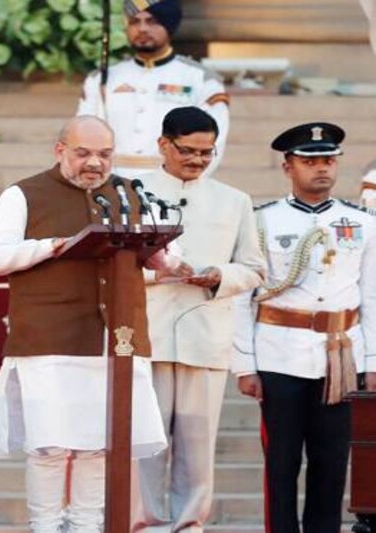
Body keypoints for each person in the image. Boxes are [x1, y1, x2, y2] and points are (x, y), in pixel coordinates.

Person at [0, 115, 184, 533]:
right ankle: (45, 527)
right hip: (50, 338)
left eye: (105, 154)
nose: (95, 163)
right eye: (84, 153)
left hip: (116, 339)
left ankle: (88, 528)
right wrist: (53, 246)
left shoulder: (129, 193)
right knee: (50, 448)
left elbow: (167, 259)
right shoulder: (24, 194)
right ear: (60, 151)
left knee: (99, 448)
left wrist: (163, 256)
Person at [232, 122, 376, 533]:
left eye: (328, 160)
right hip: (280, 354)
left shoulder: (362, 222)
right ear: (287, 167)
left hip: (341, 354)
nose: (321, 169)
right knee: (281, 462)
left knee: (331, 463)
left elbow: (372, 296)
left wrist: (372, 359)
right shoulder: (262, 221)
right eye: (310, 161)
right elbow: (243, 297)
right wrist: (244, 364)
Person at [132, 107, 265, 533]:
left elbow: (255, 268)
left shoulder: (234, 200)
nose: (198, 160)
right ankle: (142, 525)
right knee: (144, 444)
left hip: (205, 336)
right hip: (145, 335)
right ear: (163, 145)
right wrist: (157, 273)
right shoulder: (132, 193)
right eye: (188, 150)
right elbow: (109, 266)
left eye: (207, 152)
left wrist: (219, 276)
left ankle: (189, 526)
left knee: (197, 446)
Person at [77, 0, 229, 178]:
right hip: (110, 185)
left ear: (169, 26)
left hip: (172, 184)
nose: (142, 29)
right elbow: (81, 136)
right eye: (134, 21)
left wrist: (182, 185)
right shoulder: (100, 79)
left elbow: (212, 143)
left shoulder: (201, 80)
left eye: (152, 21)